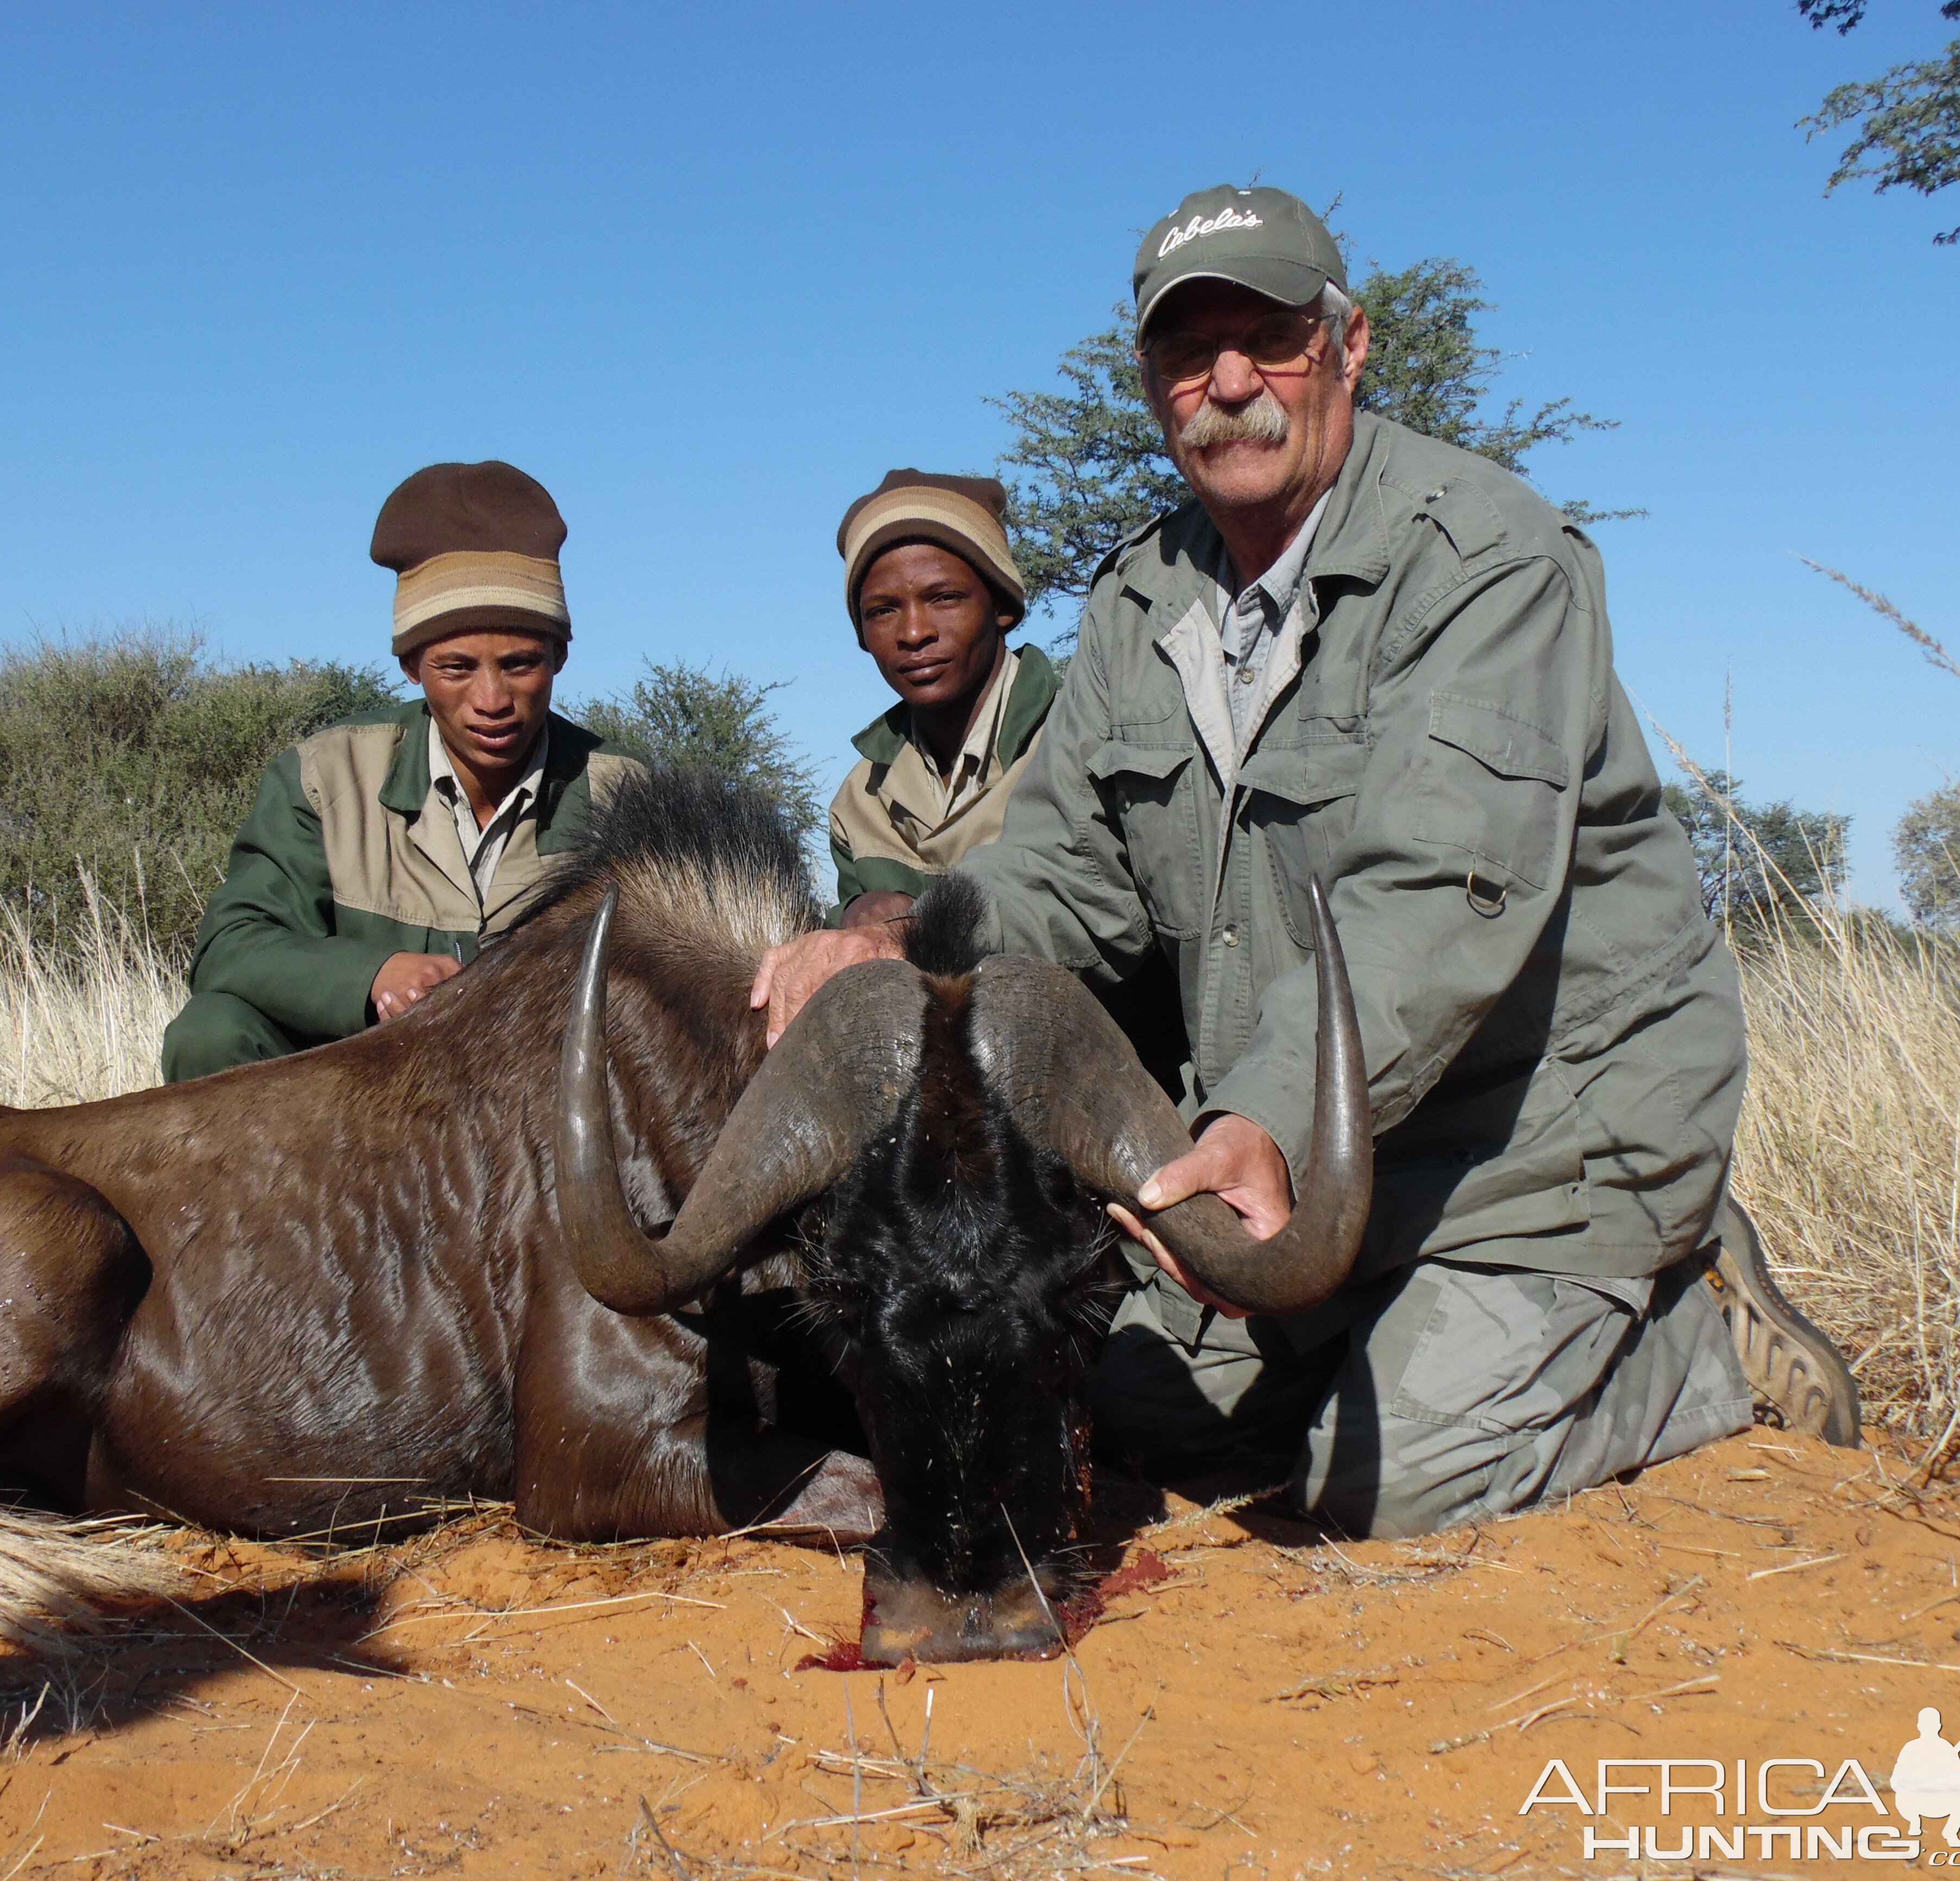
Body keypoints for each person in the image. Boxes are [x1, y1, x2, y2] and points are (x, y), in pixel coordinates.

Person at [752, 184, 1858, 1538]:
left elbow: (1440, 889)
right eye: (1186, 350)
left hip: (1539, 1140)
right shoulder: (1139, 597)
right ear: (1152, 382)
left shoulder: (1486, 556)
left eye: (1267, 337)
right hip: (1312, 1164)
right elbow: (1062, 874)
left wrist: (1261, 1115)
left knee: (1379, 1485)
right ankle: (1393, 1334)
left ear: (1348, 347)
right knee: (1135, 1422)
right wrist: (902, 952)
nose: (1229, 383)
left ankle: (1698, 1340)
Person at [162, 460, 641, 1081]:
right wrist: (374, 976)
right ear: (412, 667)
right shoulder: (323, 776)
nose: (493, 699)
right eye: (457, 668)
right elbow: (231, 945)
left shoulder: (628, 796)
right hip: (367, 1095)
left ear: (560, 657)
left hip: (540, 1099)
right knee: (210, 1033)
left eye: (521, 664)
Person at [825, 471, 1060, 929]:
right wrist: (852, 914)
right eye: (882, 611)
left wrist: (917, 919)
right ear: (862, 635)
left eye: (945, 598)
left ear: (1003, 607)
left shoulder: (1078, 742)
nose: (914, 633)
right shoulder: (859, 802)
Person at [1889, 1707, 1960, 1847]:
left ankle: (1951, 1832)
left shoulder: (1946, 1749)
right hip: (1914, 1802)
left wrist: (1941, 1782)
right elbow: (1896, 1780)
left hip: (1941, 1801)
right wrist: (1917, 1783)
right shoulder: (1911, 1748)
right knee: (1901, 1795)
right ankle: (1914, 1821)